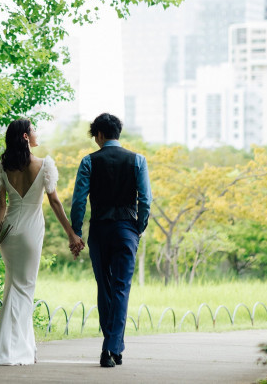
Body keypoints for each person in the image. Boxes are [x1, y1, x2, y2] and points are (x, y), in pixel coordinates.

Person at [0, 118, 84, 366]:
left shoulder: (2, 168)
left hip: (9, 234)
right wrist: (71, 233)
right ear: (26, 137)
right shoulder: (44, 165)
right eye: (33, 130)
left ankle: (26, 347)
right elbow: (55, 203)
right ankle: (8, 348)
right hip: (30, 232)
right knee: (24, 290)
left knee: (14, 288)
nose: (37, 133)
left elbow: (0, 206)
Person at [70, 112, 152, 368]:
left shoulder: (89, 161)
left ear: (100, 135)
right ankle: (112, 347)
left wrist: (76, 232)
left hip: (100, 231)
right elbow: (146, 200)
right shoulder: (138, 160)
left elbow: (78, 200)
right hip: (127, 230)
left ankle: (111, 346)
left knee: (105, 288)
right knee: (121, 288)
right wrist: (138, 227)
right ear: (117, 133)